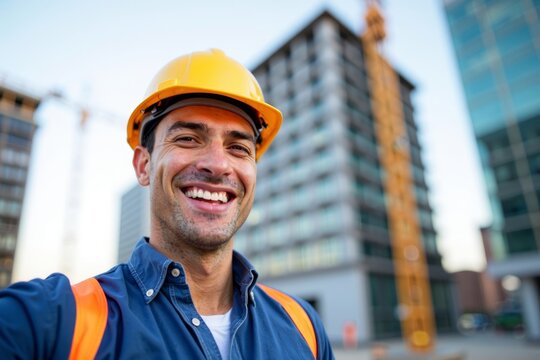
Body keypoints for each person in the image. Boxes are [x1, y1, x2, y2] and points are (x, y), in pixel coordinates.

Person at [0, 49, 334, 359]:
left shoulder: (305, 328)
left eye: (238, 148)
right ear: (143, 166)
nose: (218, 164)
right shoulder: (54, 323)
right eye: (188, 138)